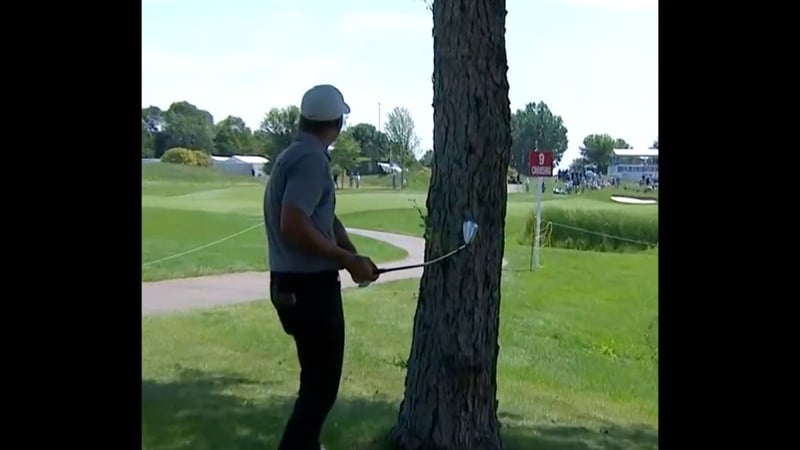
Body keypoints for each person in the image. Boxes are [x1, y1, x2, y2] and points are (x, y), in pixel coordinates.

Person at [263, 84, 380, 450]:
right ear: (337, 123)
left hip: (290, 284)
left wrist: (352, 254)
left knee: (314, 383)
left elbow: (323, 218)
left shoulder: (292, 155)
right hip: (310, 288)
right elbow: (294, 222)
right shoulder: (312, 160)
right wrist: (346, 260)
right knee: (320, 390)